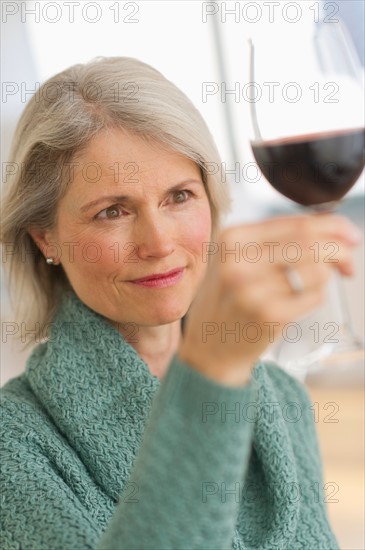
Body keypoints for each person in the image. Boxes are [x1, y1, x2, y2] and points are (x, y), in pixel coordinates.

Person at [0, 56, 360, 550]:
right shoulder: (14, 445)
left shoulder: (281, 395)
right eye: (112, 211)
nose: (159, 243)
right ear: (46, 239)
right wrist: (210, 371)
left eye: (179, 197)